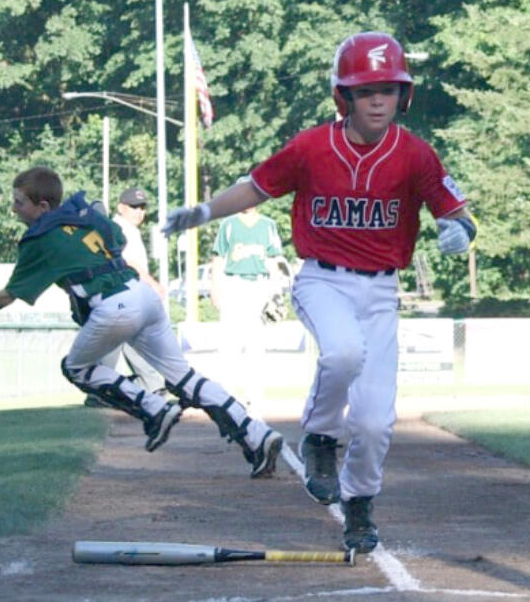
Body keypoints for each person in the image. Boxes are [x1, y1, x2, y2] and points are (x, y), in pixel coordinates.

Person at [163, 31, 476, 553]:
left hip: (381, 293)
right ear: (344, 97)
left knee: (376, 422)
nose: (378, 100)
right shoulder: (312, 147)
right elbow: (256, 186)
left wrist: (458, 230)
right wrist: (202, 213)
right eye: (366, 90)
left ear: (404, 95)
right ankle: (321, 437)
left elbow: (456, 212)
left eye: (389, 89)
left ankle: (358, 506)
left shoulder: (416, 154)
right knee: (343, 352)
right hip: (323, 278)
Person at [0, 166, 282, 476]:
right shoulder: (84, 217)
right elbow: (117, 241)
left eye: (20, 202)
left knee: (75, 368)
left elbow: (9, 294)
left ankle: (153, 407)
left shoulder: (41, 239)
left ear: (43, 205)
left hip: (114, 306)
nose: (14, 208)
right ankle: (257, 435)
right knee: (185, 378)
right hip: (142, 295)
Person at [83, 187, 168, 402]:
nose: (139, 211)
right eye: (133, 207)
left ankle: (143, 385)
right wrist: (153, 284)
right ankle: (103, 390)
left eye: (142, 207)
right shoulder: (118, 228)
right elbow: (127, 263)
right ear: (121, 207)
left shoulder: (130, 229)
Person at [211, 182, 285, 408]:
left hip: (260, 286)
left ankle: (255, 396)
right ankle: (227, 396)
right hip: (234, 285)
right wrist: (216, 289)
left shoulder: (268, 225)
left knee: (257, 344)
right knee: (230, 343)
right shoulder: (228, 224)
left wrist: (277, 292)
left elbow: (274, 260)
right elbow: (218, 258)